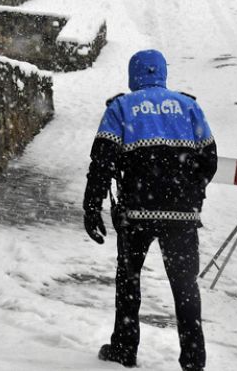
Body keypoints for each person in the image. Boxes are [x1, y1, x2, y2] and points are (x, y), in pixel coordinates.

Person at [83, 49, 217, 371]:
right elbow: (210, 159)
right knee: (185, 287)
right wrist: (191, 191)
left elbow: (102, 162)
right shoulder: (189, 106)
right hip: (182, 215)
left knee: (129, 281)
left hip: (136, 212)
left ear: (134, 75)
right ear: (163, 74)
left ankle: (124, 348)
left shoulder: (121, 108)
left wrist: (92, 206)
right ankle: (193, 358)